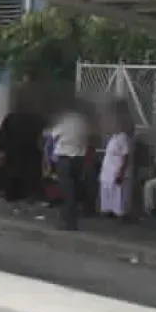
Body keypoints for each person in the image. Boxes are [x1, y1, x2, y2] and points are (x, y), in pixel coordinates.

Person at [0, 88, 46, 206]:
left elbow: (2, 135)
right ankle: (28, 196)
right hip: (31, 152)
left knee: (12, 174)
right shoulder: (37, 119)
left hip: (13, 152)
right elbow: (43, 136)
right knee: (30, 175)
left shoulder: (11, 117)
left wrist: (2, 150)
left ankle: (12, 195)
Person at [50, 98, 90, 231]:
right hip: (78, 159)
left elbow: (53, 134)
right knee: (74, 190)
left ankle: (67, 222)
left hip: (65, 159)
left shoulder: (66, 121)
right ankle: (72, 221)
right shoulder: (84, 123)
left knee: (67, 191)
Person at [98, 114, 133, 219]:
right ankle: (108, 211)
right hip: (108, 171)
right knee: (107, 192)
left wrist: (121, 172)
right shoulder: (113, 137)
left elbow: (125, 156)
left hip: (116, 170)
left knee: (118, 194)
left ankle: (120, 214)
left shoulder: (123, 137)